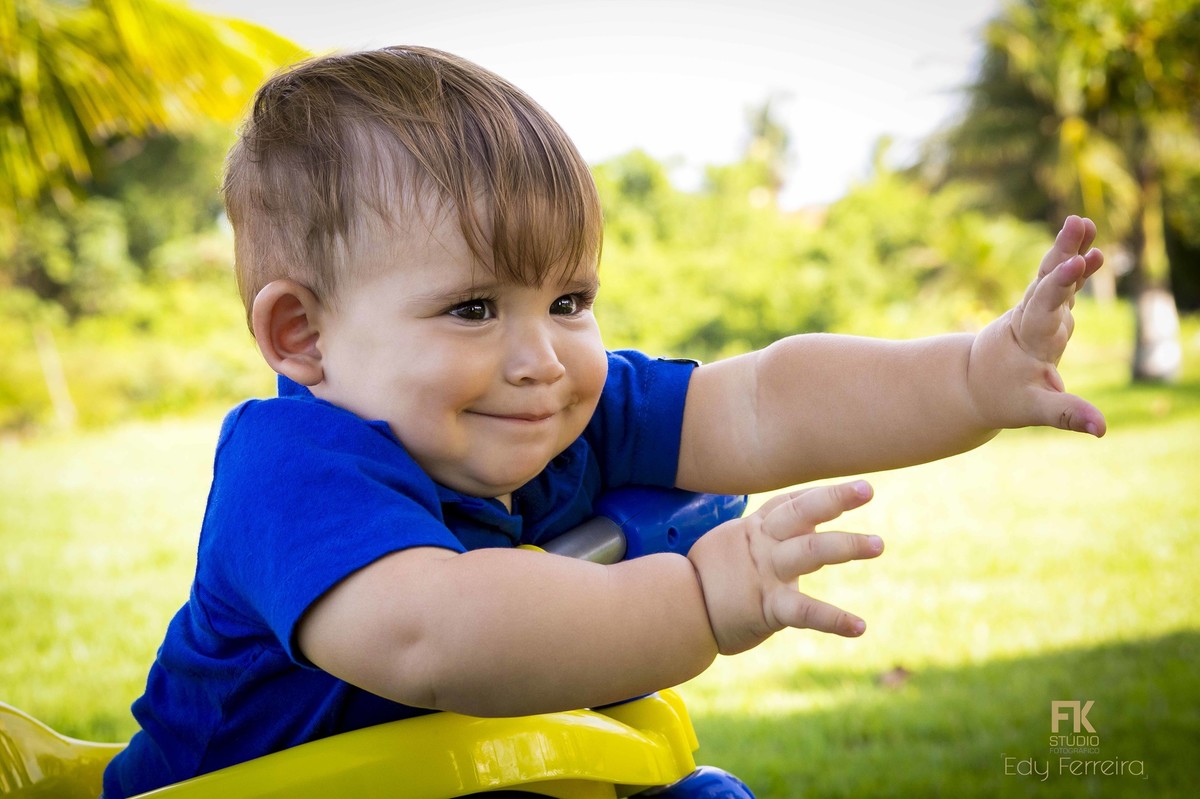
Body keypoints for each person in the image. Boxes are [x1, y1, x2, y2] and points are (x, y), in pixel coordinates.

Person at [101, 45, 1106, 798]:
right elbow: (436, 636)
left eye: (569, 300)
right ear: (303, 334)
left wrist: (969, 376)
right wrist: (697, 600)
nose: (542, 356)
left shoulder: (560, 414)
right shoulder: (289, 470)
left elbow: (763, 401)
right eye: (474, 308)